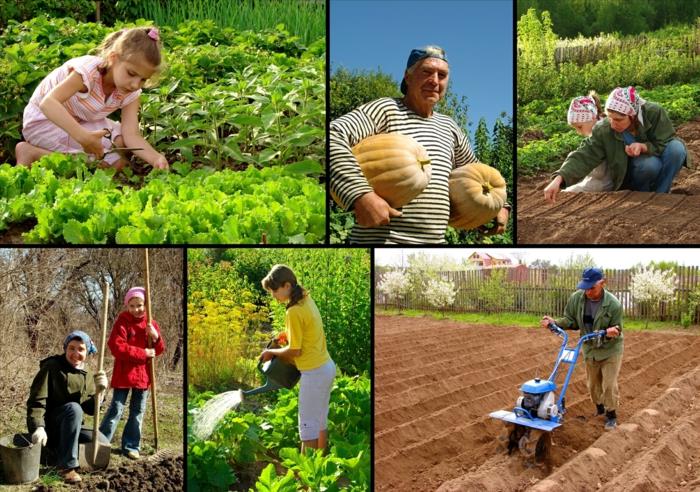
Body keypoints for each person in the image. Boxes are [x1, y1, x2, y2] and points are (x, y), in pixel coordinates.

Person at [330, 45, 510, 243]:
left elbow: (477, 175)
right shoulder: (386, 110)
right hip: (382, 243)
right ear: (408, 77)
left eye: (442, 75)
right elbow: (333, 135)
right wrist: (360, 195)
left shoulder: (449, 127)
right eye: (426, 72)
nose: (434, 81)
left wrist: (500, 205)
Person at [16, 27, 169, 170]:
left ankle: (91, 155)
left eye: (143, 79)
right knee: (108, 165)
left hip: (80, 120)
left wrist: (155, 158)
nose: (136, 84)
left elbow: (131, 134)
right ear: (113, 58)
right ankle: (32, 153)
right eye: (131, 73)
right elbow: (48, 104)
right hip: (44, 122)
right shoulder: (87, 73)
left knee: (122, 141)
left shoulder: (130, 91)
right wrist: (83, 137)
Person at [544, 86, 690, 203]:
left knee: (677, 149)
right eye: (610, 118)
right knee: (649, 165)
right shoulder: (604, 128)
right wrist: (559, 179)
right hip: (632, 170)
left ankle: (661, 193)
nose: (613, 124)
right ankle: (641, 195)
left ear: (631, 116)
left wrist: (643, 147)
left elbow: (665, 140)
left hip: (656, 152)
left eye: (618, 120)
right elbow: (585, 155)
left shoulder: (654, 112)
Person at [261, 265, 336, 453]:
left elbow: (294, 350)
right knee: (320, 421)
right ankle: (320, 467)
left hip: (314, 373)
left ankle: (307, 478)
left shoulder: (293, 311)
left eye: (274, 291)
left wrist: (272, 353)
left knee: (307, 427)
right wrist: (285, 334)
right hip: (326, 367)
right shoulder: (306, 299)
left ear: (287, 286)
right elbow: (305, 331)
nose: (274, 296)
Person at [540, 267, 623, 430]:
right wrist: (554, 323)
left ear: (602, 283)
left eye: (592, 288)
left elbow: (618, 328)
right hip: (589, 348)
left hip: (610, 350)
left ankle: (611, 415)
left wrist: (613, 331)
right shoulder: (576, 299)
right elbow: (571, 321)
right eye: (585, 288)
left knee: (608, 384)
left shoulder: (613, 304)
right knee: (592, 385)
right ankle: (599, 409)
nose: (588, 292)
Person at [26, 331, 109, 484]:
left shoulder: (88, 374)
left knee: (101, 440)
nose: (75, 353)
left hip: (72, 426)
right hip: (50, 426)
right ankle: (66, 467)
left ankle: (59, 452)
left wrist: (101, 393)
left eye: (81, 349)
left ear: (87, 352)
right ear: (65, 348)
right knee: (74, 408)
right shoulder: (52, 367)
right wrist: (38, 427)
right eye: (71, 348)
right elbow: (36, 400)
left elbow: (91, 409)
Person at [99, 286, 164, 459]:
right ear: (127, 306)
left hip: (143, 376)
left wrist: (156, 337)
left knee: (137, 411)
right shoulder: (122, 321)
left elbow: (160, 349)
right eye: (132, 305)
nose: (136, 309)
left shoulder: (151, 323)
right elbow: (116, 347)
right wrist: (143, 353)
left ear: (146, 305)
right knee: (116, 409)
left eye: (140, 305)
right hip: (124, 374)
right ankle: (101, 442)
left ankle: (131, 446)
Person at [562, 92, 613, 193]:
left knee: (568, 192)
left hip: (605, 183)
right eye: (575, 128)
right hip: (601, 180)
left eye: (580, 127)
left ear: (592, 117)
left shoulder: (601, 134)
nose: (578, 131)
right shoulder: (598, 128)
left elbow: (599, 173)